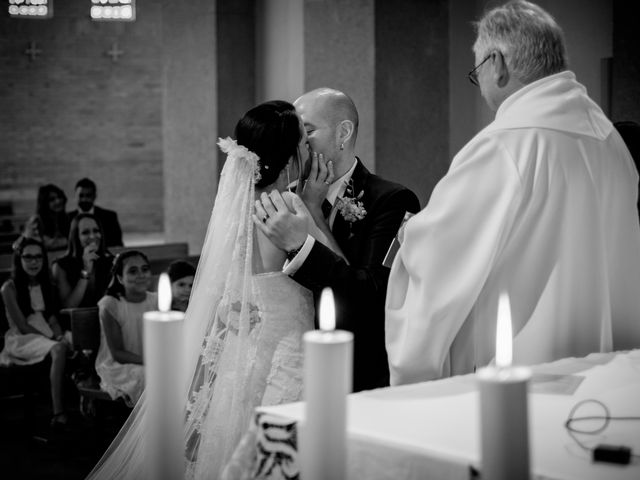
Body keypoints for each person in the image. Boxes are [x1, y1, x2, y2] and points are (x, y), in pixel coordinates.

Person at [385, 0, 640, 386]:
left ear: (497, 63)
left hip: (515, 379)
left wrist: (412, 237)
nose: (481, 85)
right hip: (604, 379)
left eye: (477, 72)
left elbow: (440, 261)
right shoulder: (609, 142)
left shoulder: (504, 145)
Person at [87, 100, 324, 479]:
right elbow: (335, 265)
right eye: (304, 139)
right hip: (289, 352)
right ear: (291, 153)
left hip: (243, 353)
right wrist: (314, 205)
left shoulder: (236, 212)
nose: (309, 146)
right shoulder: (290, 207)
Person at [255, 88, 420, 392]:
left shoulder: (393, 200)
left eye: (307, 131)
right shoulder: (282, 199)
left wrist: (315, 215)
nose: (297, 143)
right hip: (293, 366)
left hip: (357, 370)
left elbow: (372, 295)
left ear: (343, 133)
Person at [0, 238, 70, 428]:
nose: (34, 262)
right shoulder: (10, 288)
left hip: (46, 334)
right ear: (19, 259)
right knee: (58, 349)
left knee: (70, 343)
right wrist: (52, 340)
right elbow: (22, 325)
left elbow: (52, 319)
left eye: (38, 257)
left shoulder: (46, 284)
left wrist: (58, 335)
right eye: (28, 257)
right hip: (23, 338)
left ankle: (83, 404)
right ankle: (59, 412)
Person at [95, 250, 156, 407]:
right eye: (133, 271)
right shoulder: (111, 304)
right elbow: (118, 353)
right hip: (120, 366)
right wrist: (153, 361)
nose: (141, 275)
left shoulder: (156, 300)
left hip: (152, 361)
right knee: (150, 375)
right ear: (120, 278)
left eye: (145, 269)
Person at [52, 213, 114, 309]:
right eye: (85, 232)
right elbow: (69, 306)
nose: (92, 236)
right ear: (76, 237)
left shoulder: (111, 262)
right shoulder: (60, 266)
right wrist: (86, 270)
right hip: (74, 321)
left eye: (96, 231)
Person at [68, 177, 124, 247]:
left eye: (88, 196)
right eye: (81, 196)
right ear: (76, 196)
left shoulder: (109, 217)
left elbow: (117, 245)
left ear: (94, 196)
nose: (84, 199)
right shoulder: (67, 218)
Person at [36, 183, 69, 251]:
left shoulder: (66, 218)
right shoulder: (37, 221)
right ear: (44, 203)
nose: (58, 201)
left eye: (59, 197)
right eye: (52, 199)